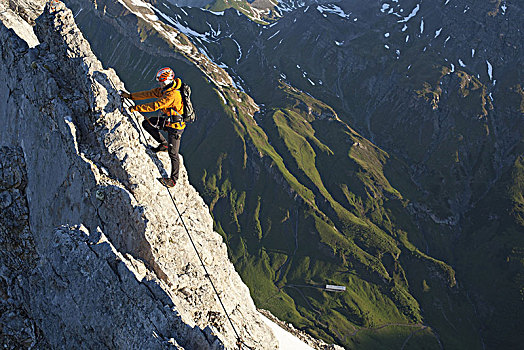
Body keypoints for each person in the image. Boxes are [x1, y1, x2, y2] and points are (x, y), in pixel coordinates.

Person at [121, 67, 185, 188]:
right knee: (147, 124)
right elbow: (149, 94)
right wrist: (130, 96)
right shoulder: (165, 90)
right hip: (168, 121)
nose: (159, 83)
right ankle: (163, 144)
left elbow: (155, 105)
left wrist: (136, 108)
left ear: (165, 81)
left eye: (161, 81)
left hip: (175, 127)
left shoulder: (172, 95)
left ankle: (173, 180)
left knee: (173, 154)